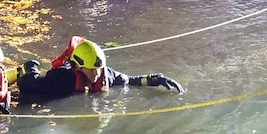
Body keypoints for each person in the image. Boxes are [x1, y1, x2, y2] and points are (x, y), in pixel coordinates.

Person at [14, 37, 183, 99]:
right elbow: (29, 85)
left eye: (98, 69)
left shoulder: (104, 75)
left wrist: (155, 79)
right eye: (91, 70)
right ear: (78, 67)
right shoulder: (62, 78)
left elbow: (129, 80)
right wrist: (30, 67)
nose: (96, 74)